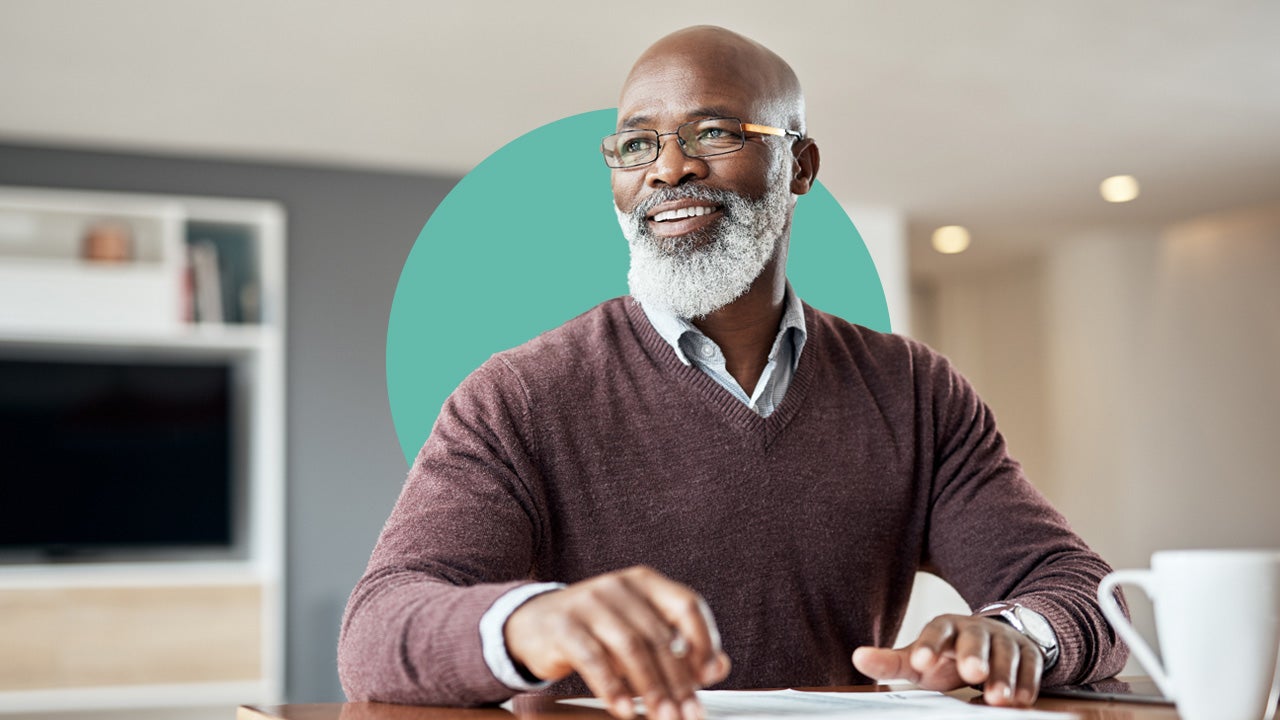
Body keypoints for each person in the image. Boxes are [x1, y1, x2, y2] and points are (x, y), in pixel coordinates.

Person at [339, 25, 1127, 718]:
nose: (668, 170)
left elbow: (1081, 590)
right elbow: (376, 632)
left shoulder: (914, 393)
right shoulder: (518, 396)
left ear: (800, 166)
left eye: (713, 132)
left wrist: (1014, 637)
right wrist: (530, 622)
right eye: (638, 143)